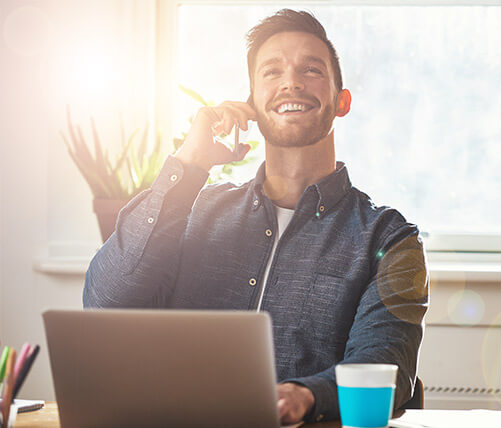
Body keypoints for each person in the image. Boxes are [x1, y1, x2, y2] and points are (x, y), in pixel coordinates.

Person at [84, 9, 429, 424]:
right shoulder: (193, 212)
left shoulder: (390, 238)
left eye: (311, 69)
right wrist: (190, 164)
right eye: (272, 71)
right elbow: (106, 303)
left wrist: (305, 394)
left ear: (342, 101)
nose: (291, 81)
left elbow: (384, 365)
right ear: (250, 104)